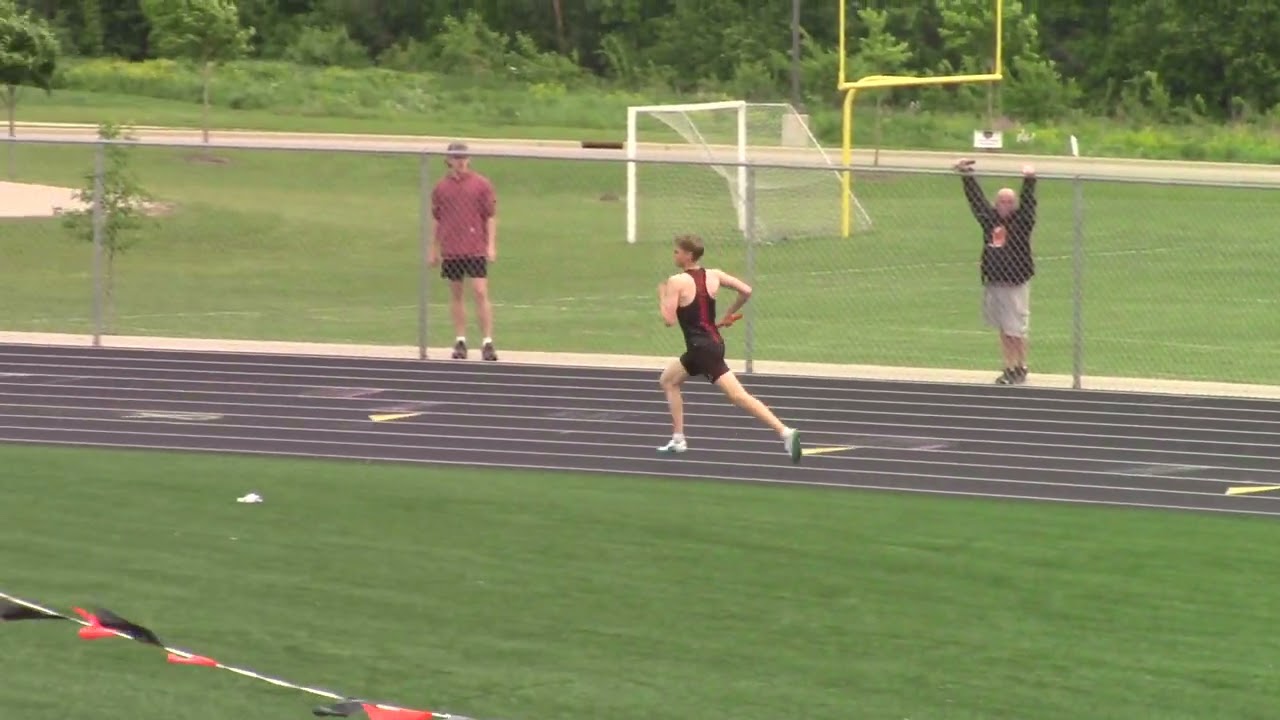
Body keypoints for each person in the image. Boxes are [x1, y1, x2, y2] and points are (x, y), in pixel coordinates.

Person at [654, 234, 802, 463]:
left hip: (702, 350)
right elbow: (746, 291)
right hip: (708, 345)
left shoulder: (676, 281)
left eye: (677, 251)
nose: (674, 254)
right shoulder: (715, 275)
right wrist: (727, 315)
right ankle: (678, 438)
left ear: (688, 255)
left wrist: (662, 295)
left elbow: (669, 320)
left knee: (738, 396)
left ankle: (785, 432)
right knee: (668, 380)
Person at [954, 158, 1038, 385]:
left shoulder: (1021, 222)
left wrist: (1029, 180)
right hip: (995, 281)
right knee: (1003, 328)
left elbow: (1029, 205)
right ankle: (1010, 366)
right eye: (1001, 201)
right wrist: (966, 175)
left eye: (1010, 201)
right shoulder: (989, 221)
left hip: (1014, 283)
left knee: (1016, 329)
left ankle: (1018, 366)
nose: (1005, 205)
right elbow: (976, 201)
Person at [429, 141, 499, 361]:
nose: (460, 162)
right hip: (452, 248)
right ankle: (460, 339)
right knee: (456, 294)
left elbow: (490, 216)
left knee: (479, 291)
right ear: (448, 160)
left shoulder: (481, 184)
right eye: (456, 158)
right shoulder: (441, 188)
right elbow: (437, 219)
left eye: (463, 158)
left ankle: (487, 341)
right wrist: (434, 248)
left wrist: (491, 244)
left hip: (475, 247)